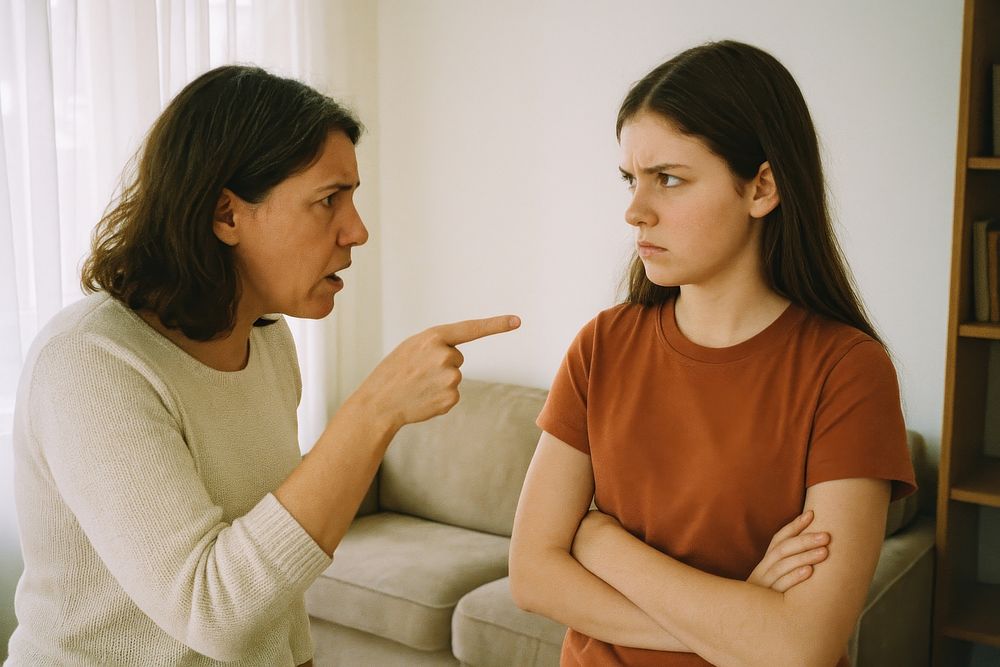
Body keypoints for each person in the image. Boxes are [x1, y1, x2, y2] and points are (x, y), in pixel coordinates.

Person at [7, 65, 519, 665]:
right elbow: (213, 613)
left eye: (352, 198)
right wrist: (375, 410)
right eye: (328, 201)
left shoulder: (267, 340)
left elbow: (271, 582)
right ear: (226, 215)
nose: (357, 231)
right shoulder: (90, 362)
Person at [509, 40, 916, 667]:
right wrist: (742, 623)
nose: (635, 211)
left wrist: (600, 542)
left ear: (762, 187)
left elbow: (801, 647)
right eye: (631, 180)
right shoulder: (603, 344)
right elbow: (533, 577)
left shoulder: (848, 370)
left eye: (669, 179)